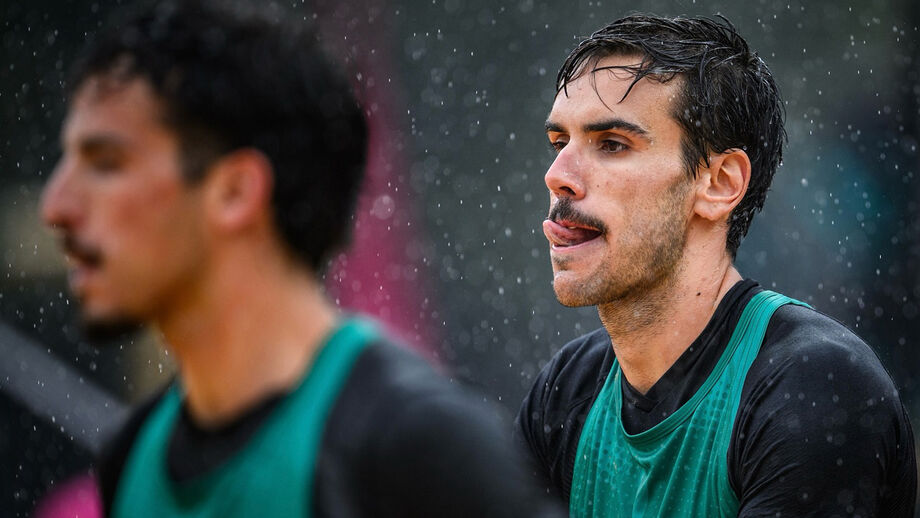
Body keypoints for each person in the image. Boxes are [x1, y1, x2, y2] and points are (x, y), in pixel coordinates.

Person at [40, 1, 563, 517]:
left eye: (106, 163)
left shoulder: (416, 448)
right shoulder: (130, 457)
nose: (55, 206)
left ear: (235, 192)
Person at [516, 13, 917, 517]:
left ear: (720, 183)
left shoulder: (817, 386)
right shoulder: (567, 392)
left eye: (612, 144)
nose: (557, 176)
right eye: (559, 143)